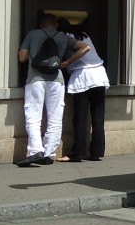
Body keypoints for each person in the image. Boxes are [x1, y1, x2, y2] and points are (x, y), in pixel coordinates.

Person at [16, 12, 87, 167]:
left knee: (33, 115)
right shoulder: (62, 37)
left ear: (41, 25)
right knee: (55, 117)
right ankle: (49, 153)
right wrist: (67, 62)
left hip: (35, 79)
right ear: (56, 25)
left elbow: (22, 57)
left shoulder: (33, 34)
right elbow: (85, 47)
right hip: (57, 80)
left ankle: (36, 150)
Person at [63, 26, 110, 162]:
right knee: (98, 117)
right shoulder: (83, 35)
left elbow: (84, 50)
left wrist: (67, 63)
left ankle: (78, 153)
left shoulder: (65, 36)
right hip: (99, 75)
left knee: (80, 118)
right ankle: (96, 152)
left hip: (82, 75)